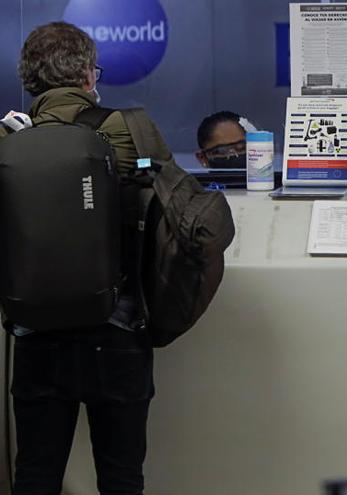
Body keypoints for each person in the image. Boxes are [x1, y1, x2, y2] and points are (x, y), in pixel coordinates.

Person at [1, 21, 174, 494]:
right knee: (121, 477)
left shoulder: (7, 141)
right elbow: (175, 211)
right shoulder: (128, 128)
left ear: (30, 82)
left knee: (35, 475)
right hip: (117, 328)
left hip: (35, 332)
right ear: (87, 77)